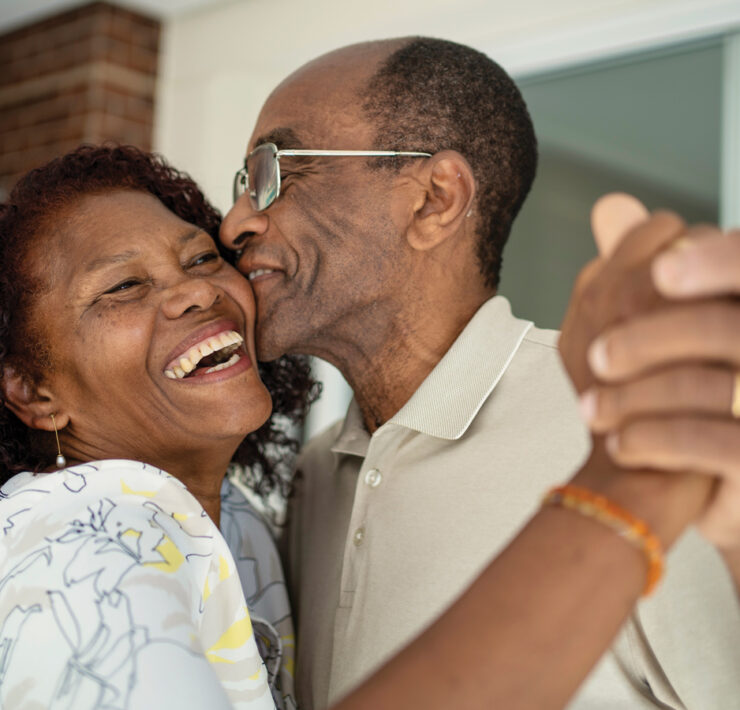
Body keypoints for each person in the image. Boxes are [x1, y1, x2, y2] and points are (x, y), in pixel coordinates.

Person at [219, 37, 740, 709]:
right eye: (243, 184)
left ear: (436, 199)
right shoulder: (313, 478)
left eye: (272, 172)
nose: (235, 221)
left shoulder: (627, 434)